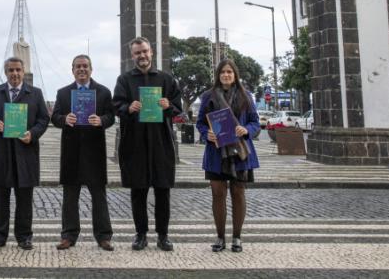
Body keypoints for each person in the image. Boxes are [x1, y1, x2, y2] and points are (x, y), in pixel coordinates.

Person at [112, 37, 183, 251]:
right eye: (137, 53)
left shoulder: (166, 79)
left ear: (151, 52)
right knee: (138, 192)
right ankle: (140, 234)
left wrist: (168, 105)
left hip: (161, 143)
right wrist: (128, 107)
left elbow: (179, 109)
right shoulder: (124, 80)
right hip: (135, 144)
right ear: (132, 56)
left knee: (163, 191)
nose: (141, 56)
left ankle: (163, 235)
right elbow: (116, 105)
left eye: (144, 51)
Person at [0, 57, 49, 250]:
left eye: (18, 70)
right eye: (11, 70)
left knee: (25, 199)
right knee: (0, 198)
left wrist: (32, 134)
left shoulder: (35, 93)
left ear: (23, 71)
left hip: (26, 152)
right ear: (5, 72)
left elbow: (43, 119)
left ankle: (24, 236)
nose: (15, 74)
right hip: (1, 153)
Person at [50, 55, 115, 251]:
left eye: (85, 66)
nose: (82, 69)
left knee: (99, 196)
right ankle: (68, 236)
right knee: (70, 197)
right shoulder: (63, 93)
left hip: (95, 152)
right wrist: (64, 119)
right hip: (71, 152)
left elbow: (111, 116)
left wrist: (101, 120)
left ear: (91, 69)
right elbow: (54, 117)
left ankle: (103, 237)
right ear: (72, 70)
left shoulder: (103, 92)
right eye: (78, 66)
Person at [195, 59, 261, 253]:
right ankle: (220, 237)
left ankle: (237, 237)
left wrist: (246, 129)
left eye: (229, 72)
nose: (226, 75)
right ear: (218, 75)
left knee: (238, 193)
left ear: (235, 75)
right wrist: (206, 133)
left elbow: (255, 123)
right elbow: (200, 123)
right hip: (217, 152)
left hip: (240, 152)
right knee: (218, 194)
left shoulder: (245, 95)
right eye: (223, 72)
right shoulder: (208, 96)